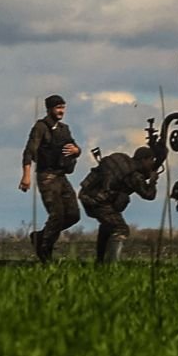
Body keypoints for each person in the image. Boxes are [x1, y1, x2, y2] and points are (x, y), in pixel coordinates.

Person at [19, 94, 81, 262]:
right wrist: (26, 176)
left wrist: (76, 151)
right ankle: (45, 248)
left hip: (61, 176)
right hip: (46, 176)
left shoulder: (64, 129)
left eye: (63, 107)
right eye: (58, 108)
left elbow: (75, 147)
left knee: (73, 215)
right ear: (49, 109)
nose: (61, 111)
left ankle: (41, 236)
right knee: (57, 215)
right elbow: (29, 151)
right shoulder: (41, 127)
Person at [78, 144, 162, 264]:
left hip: (86, 196)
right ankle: (111, 265)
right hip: (99, 202)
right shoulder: (134, 175)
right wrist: (153, 181)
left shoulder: (121, 159)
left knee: (108, 226)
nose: (152, 164)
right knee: (120, 229)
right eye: (151, 161)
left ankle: (100, 262)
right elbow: (149, 195)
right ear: (143, 160)